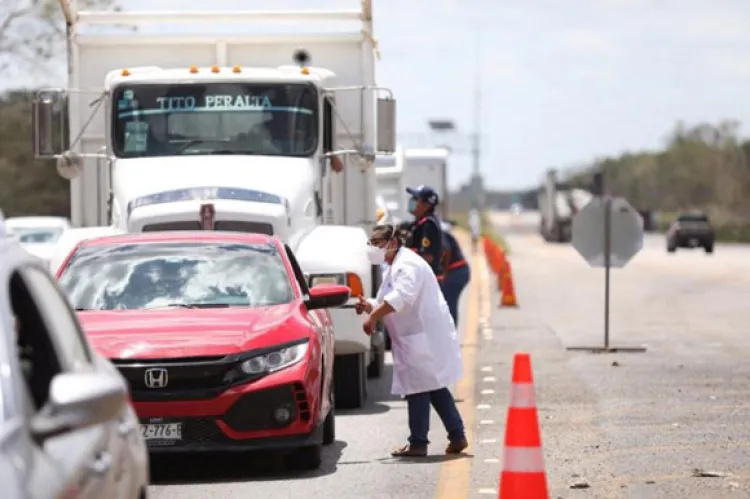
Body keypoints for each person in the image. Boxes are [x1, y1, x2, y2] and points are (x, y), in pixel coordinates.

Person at [356, 224, 468, 457]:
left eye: (377, 244)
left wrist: (373, 317)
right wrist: (370, 306)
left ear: (393, 243)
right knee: (434, 387)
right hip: (415, 338)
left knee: (418, 389)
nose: (374, 249)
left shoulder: (407, 265)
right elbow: (387, 300)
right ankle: (457, 436)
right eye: (372, 244)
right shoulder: (394, 265)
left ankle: (418, 442)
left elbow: (402, 299)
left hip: (422, 338)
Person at [403, 185, 444, 282]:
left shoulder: (429, 224)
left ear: (427, 204)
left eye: (416, 198)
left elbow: (427, 257)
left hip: (427, 281)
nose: (412, 201)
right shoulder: (418, 223)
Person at [439, 224, 471, 326]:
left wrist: (444, 271)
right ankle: (450, 333)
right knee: (449, 302)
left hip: (456, 271)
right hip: (458, 271)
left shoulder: (439, 234)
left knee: (448, 303)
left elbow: (446, 250)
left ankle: (451, 334)